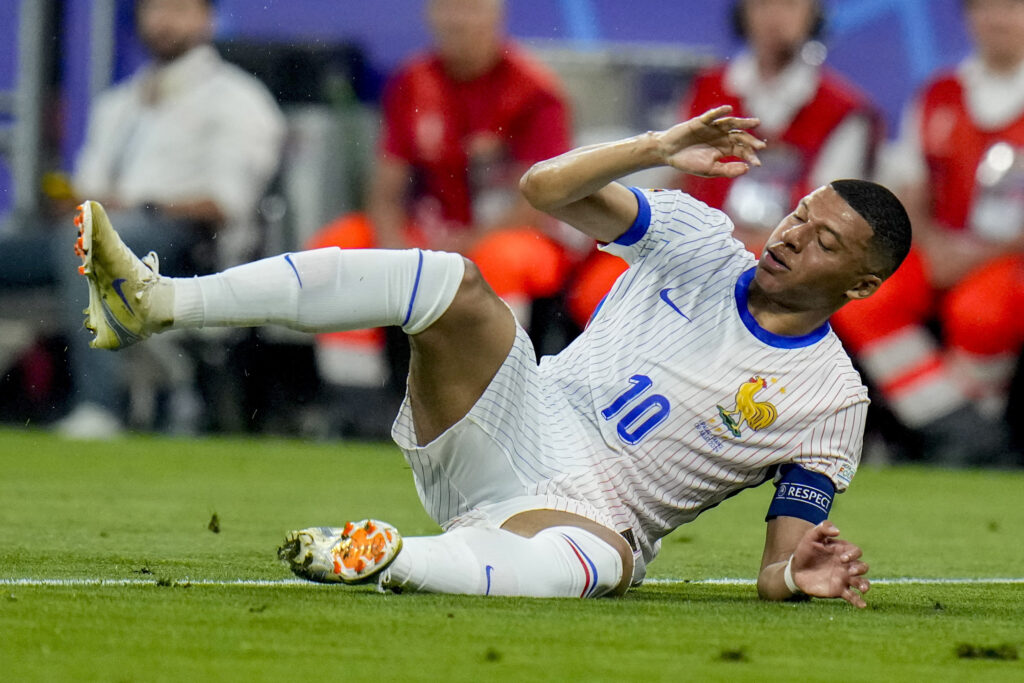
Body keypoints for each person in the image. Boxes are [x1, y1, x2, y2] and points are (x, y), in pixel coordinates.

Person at [74, 106, 910, 606]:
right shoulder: (700, 239)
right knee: (451, 281)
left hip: (594, 516)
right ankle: (157, 302)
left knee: (597, 567)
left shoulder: (830, 400)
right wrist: (657, 146)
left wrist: (802, 578)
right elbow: (544, 190)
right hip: (516, 418)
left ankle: (393, 555)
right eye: (801, 213)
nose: (794, 235)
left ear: (861, 283)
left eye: (824, 240)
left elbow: (776, 565)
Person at [44, 0, 285, 438]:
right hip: (95, 229)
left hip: (186, 241)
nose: (162, 20)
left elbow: (225, 204)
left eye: (178, 8)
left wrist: (136, 204)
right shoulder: (118, 102)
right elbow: (89, 187)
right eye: (152, 9)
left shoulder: (239, 100)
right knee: (69, 237)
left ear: (207, 18)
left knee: (87, 239)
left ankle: (100, 407)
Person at [563, 0, 881, 331]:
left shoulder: (844, 111)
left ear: (814, 14)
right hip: (692, 242)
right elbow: (672, 178)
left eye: (789, 5)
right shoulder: (706, 87)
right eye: (763, 6)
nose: (775, 17)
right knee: (600, 289)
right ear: (743, 12)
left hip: (776, 259)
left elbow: (829, 224)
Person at [312, 0, 573, 388]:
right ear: (429, 15)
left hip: (518, 235)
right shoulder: (412, 80)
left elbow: (543, 199)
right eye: (447, 8)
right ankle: (355, 399)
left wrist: (468, 244)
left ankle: (492, 391)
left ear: (496, 15)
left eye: (470, 9)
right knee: (340, 245)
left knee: (499, 259)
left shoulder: (535, 89)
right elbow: (386, 190)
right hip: (432, 232)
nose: (457, 21)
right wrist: (394, 252)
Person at [831, 0, 1024, 465]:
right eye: (987, 9)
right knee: (865, 295)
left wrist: (976, 256)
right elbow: (910, 185)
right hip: (939, 245)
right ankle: (967, 433)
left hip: (1011, 257)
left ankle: (956, 432)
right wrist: (934, 245)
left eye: (1013, 9)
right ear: (968, 17)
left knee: (980, 312)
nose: (998, 20)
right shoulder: (939, 92)